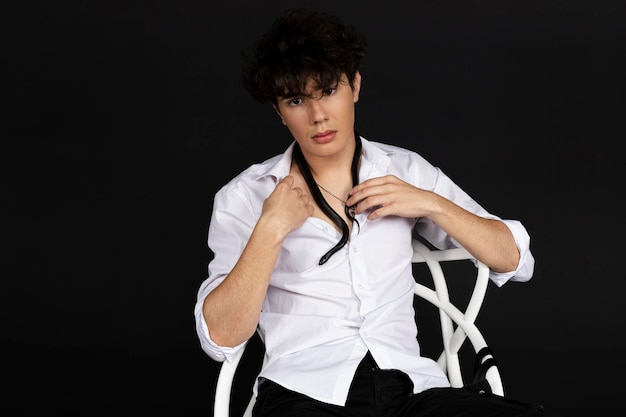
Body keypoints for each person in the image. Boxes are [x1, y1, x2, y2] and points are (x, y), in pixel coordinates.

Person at [195, 7, 561, 417]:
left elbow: (515, 259)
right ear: (280, 112)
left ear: (355, 86)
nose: (318, 116)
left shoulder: (404, 171)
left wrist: (430, 203)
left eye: (329, 90)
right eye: (297, 100)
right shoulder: (245, 196)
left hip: (410, 391)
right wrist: (270, 228)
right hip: (304, 391)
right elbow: (220, 338)